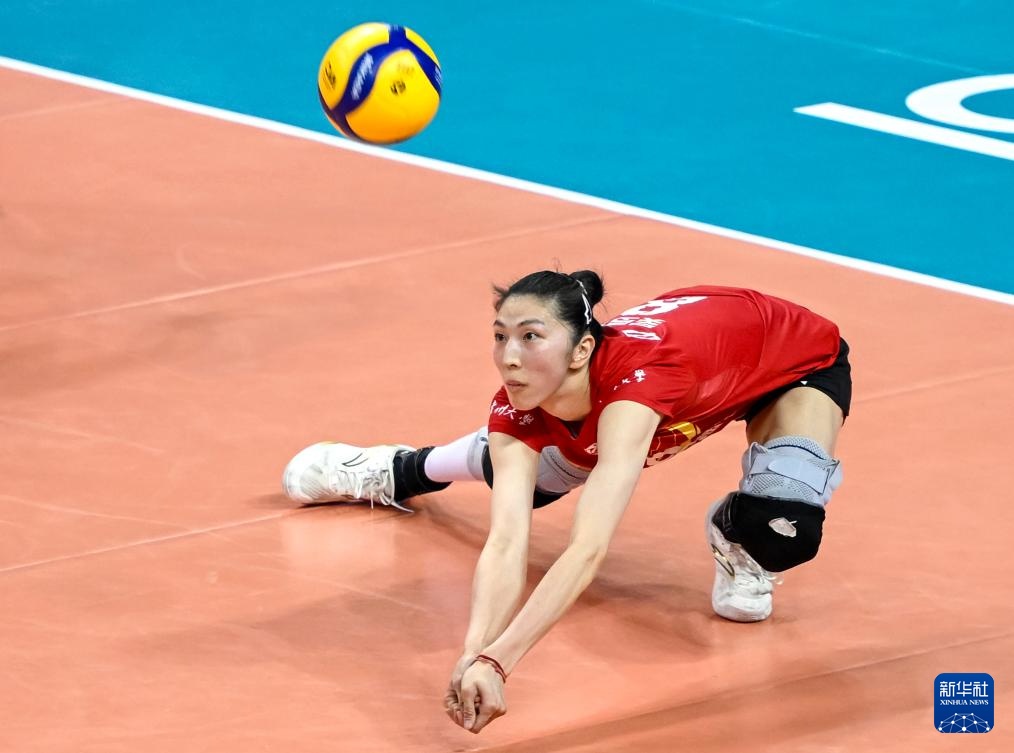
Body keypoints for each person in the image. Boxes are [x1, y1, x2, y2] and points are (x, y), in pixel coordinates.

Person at [282, 270, 851, 734]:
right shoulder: (516, 404)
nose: (509, 357)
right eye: (500, 336)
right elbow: (506, 541)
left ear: (581, 349)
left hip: (787, 362)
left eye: (530, 337)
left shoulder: (635, 393)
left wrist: (502, 661)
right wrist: (475, 652)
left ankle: (738, 536)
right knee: (527, 478)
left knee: (783, 528)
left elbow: (586, 549)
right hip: (682, 380)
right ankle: (400, 467)